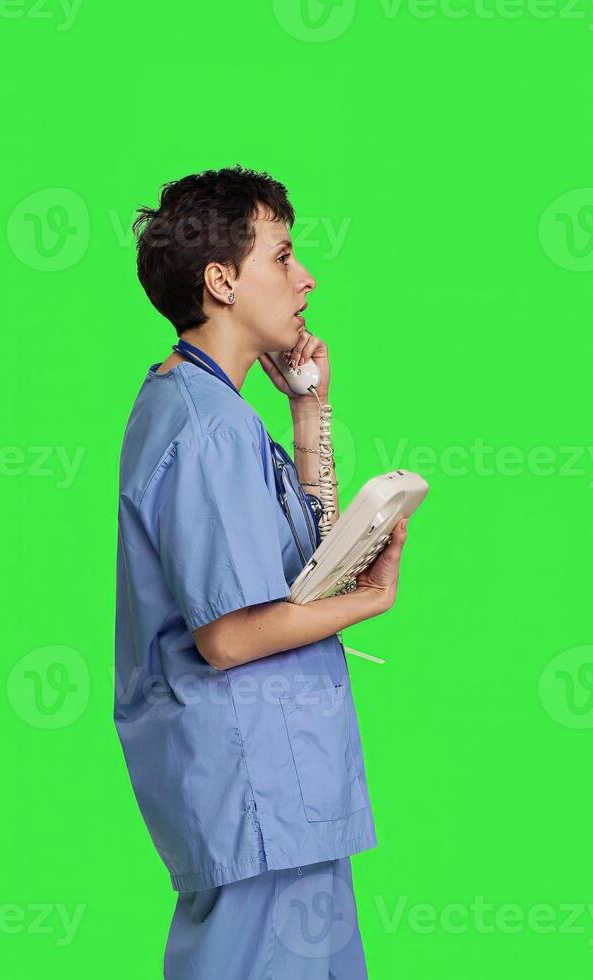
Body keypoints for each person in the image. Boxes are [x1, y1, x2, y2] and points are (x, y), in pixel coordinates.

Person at [114, 167, 413, 978]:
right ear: (221, 280)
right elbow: (230, 635)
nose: (305, 275)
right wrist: (373, 600)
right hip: (253, 795)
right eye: (282, 256)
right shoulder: (200, 426)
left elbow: (308, 565)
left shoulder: (225, 414)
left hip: (288, 792)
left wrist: (311, 415)